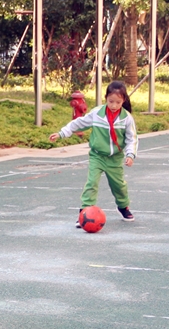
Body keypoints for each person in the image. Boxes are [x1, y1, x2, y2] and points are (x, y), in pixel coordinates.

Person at [49, 80, 138, 224]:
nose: (114, 105)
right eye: (111, 101)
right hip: (97, 156)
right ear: (106, 98)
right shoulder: (97, 113)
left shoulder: (126, 118)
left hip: (115, 158)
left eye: (118, 102)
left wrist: (130, 155)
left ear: (124, 100)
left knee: (119, 186)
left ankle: (123, 206)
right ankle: (84, 212)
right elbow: (79, 123)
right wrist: (62, 133)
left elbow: (131, 138)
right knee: (91, 183)